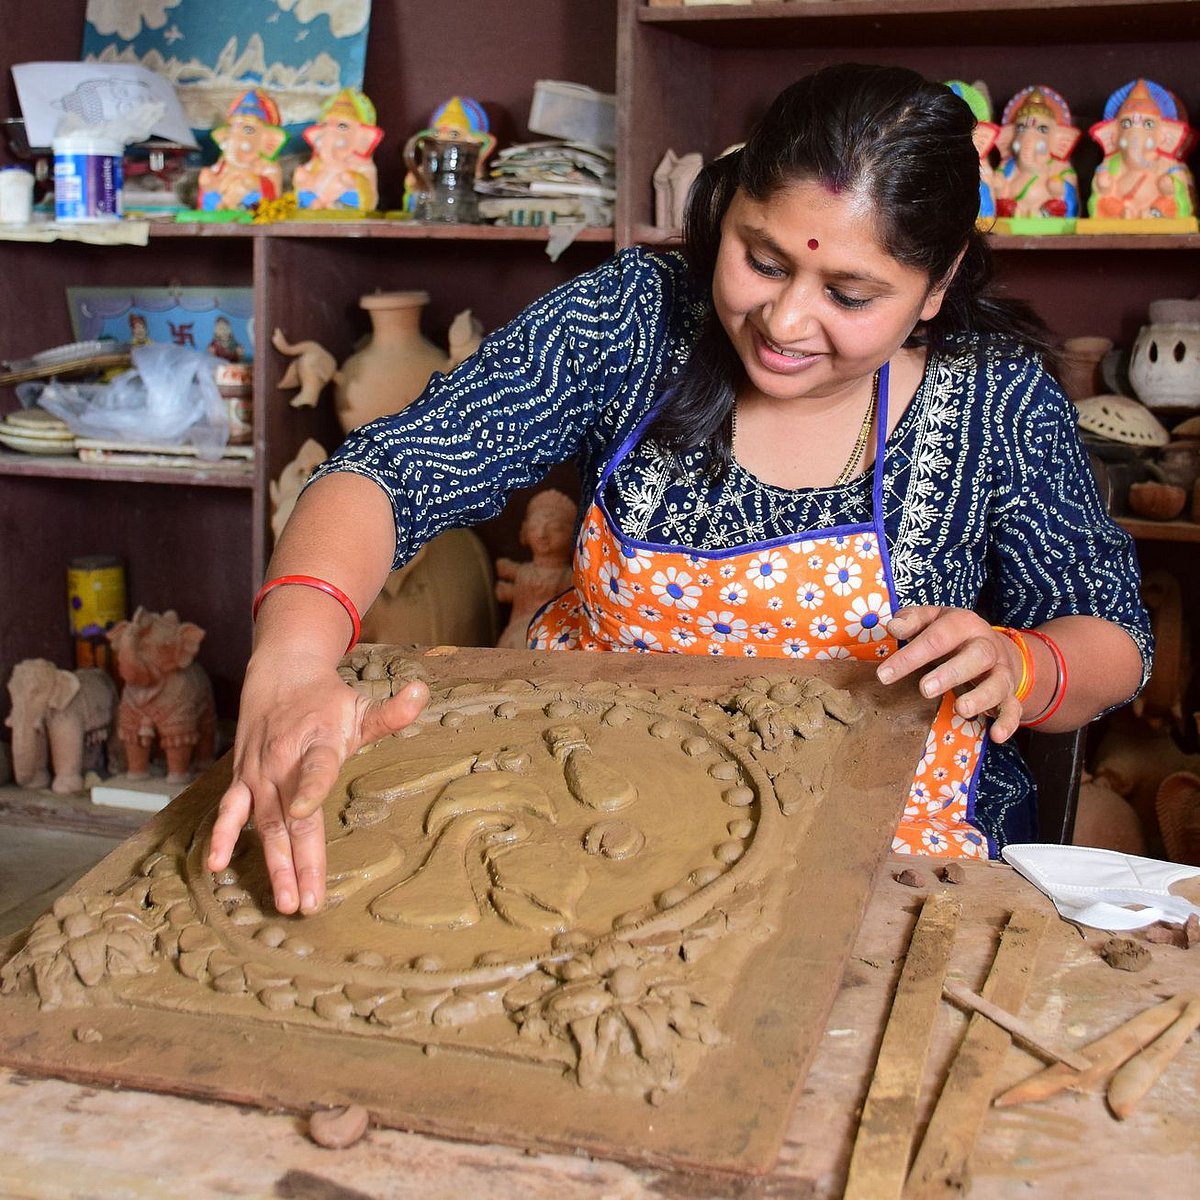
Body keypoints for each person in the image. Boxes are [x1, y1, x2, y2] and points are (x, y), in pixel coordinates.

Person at [210, 63, 1151, 917]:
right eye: (765, 260)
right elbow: (392, 469)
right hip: (588, 813)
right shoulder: (634, 315)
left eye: (851, 296)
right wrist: (293, 658)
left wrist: (1024, 668)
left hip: (879, 858)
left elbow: (1112, 633)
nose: (784, 320)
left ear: (936, 285)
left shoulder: (994, 397)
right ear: (729, 206)